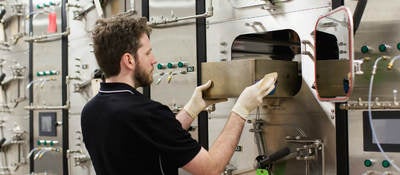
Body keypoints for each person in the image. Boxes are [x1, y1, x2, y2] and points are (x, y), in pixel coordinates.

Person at [81, 13, 278, 175]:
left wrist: (192, 109)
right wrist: (242, 108)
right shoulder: (145, 112)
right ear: (129, 60)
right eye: (148, 53)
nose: (154, 60)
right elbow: (211, 168)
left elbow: (153, 138)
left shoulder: (91, 110)